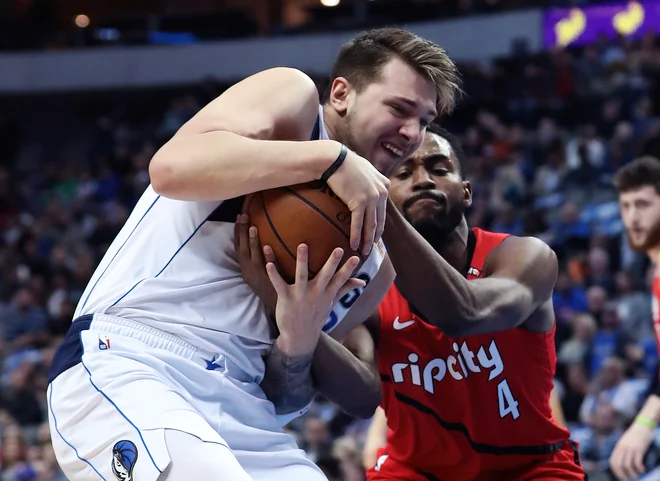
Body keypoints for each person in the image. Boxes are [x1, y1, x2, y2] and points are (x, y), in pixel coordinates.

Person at [46, 28, 460, 481]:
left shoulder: (374, 261)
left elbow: (284, 395)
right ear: (341, 93)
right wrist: (330, 160)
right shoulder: (295, 103)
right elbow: (169, 168)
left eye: (425, 120)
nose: (411, 133)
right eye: (399, 109)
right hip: (134, 359)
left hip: (245, 407)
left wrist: (298, 339)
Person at [239, 125, 584, 480]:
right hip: (416, 471)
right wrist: (285, 310)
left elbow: (464, 312)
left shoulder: (524, 257)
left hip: (529, 466)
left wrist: (375, 201)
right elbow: (361, 399)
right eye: (402, 173)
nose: (422, 180)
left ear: (466, 192)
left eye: (438, 169)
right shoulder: (370, 287)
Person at [610, 156, 660, 481]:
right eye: (625, 206)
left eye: (642, 204)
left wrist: (645, 422)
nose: (632, 217)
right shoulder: (655, 274)